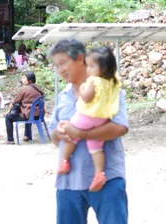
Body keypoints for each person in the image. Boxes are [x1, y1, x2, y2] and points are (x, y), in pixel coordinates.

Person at [49, 38, 128, 224]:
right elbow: (53, 136)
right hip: (68, 182)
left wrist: (81, 134)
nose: (60, 70)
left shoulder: (109, 90)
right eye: (57, 65)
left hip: (107, 179)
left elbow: (120, 127)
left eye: (63, 63)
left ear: (80, 59)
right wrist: (59, 133)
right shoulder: (63, 97)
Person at [57, 46, 121, 192]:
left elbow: (86, 98)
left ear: (103, 68)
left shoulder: (94, 81)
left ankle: (65, 160)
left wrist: (82, 90)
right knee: (96, 148)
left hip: (87, 116)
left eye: (91, 66)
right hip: (103, 119)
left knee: (70, 134)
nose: (88, 69)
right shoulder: (113, 81)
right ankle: (99, 173)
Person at [5, 71, 44, 144]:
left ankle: (10, 140)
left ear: (29, 80)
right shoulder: (38, 88)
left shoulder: (24, 89)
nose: (22, 79)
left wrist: (9, 110)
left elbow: (16, 101)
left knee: (8, 117)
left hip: (29, 115)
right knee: (28, 111)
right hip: (39, 115)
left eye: (24, 78)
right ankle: (27, 135)